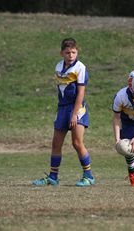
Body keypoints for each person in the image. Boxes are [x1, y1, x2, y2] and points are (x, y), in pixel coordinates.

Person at [32, 38, 95, 187]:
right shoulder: (58, 66)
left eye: (73, 52)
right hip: (62, 108)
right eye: (67, 52)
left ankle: (89, 176)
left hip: (76, 108)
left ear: (77, 52)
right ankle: (53, 177)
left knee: (77, 143)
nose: (71, 55)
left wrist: (74, 114)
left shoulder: (80, 67)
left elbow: (80, 93)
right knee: (56, 143)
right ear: (62, 53)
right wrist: (63, 110)